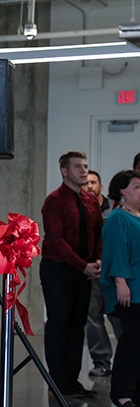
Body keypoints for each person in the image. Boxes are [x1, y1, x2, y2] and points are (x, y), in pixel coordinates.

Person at [40, 150, 103, 397]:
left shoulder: (89, 200)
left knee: (77, 327)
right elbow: (57, 240)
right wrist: (83, 265)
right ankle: (58, 382)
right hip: (59, 270)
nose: (84, 171)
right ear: (64, 171)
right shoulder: (54, 200)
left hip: (83, 271)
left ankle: (72, 381)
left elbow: (98, 233)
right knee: (59, 326)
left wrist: (96, 261)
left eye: (85, 166)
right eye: (78, 167)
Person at [101, 170, 140, 407]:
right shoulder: (118, 217)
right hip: (131, 289)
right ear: (122, 192)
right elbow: (116, 253)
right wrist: (121, 283)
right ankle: (122, 393)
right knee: (132, 341)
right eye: (136, 187)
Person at [82, 170, 121, 378]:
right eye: (86, 182)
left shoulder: (116, 207)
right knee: (94, 318)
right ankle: (101, 362)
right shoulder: (81, 207)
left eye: (93, 182)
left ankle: (127, 360)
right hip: (92, 271)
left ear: (101, 186)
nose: (89, 185)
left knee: (120, 319)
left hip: (115, 272)